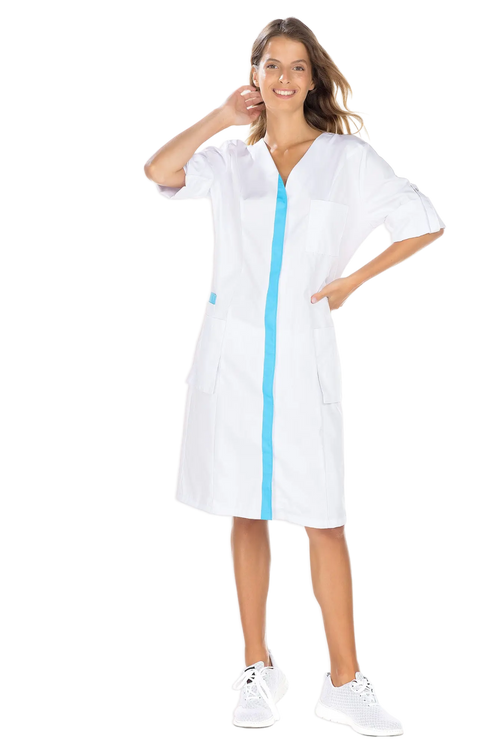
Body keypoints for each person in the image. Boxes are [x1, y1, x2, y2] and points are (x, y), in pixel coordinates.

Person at [142, 13, 447, 738]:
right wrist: (221, 117)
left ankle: (344, 683)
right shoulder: (230, 161)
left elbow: (425, 221)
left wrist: (353, 282)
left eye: (296, 66)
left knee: (324, 518)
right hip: (233, 355)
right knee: (243, 507)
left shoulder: (346, 159)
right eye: (270, 65)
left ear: (314, 79)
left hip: (305, 355)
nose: (283, 78)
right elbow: (158, 172)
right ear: (253, 75)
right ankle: (257, 668)